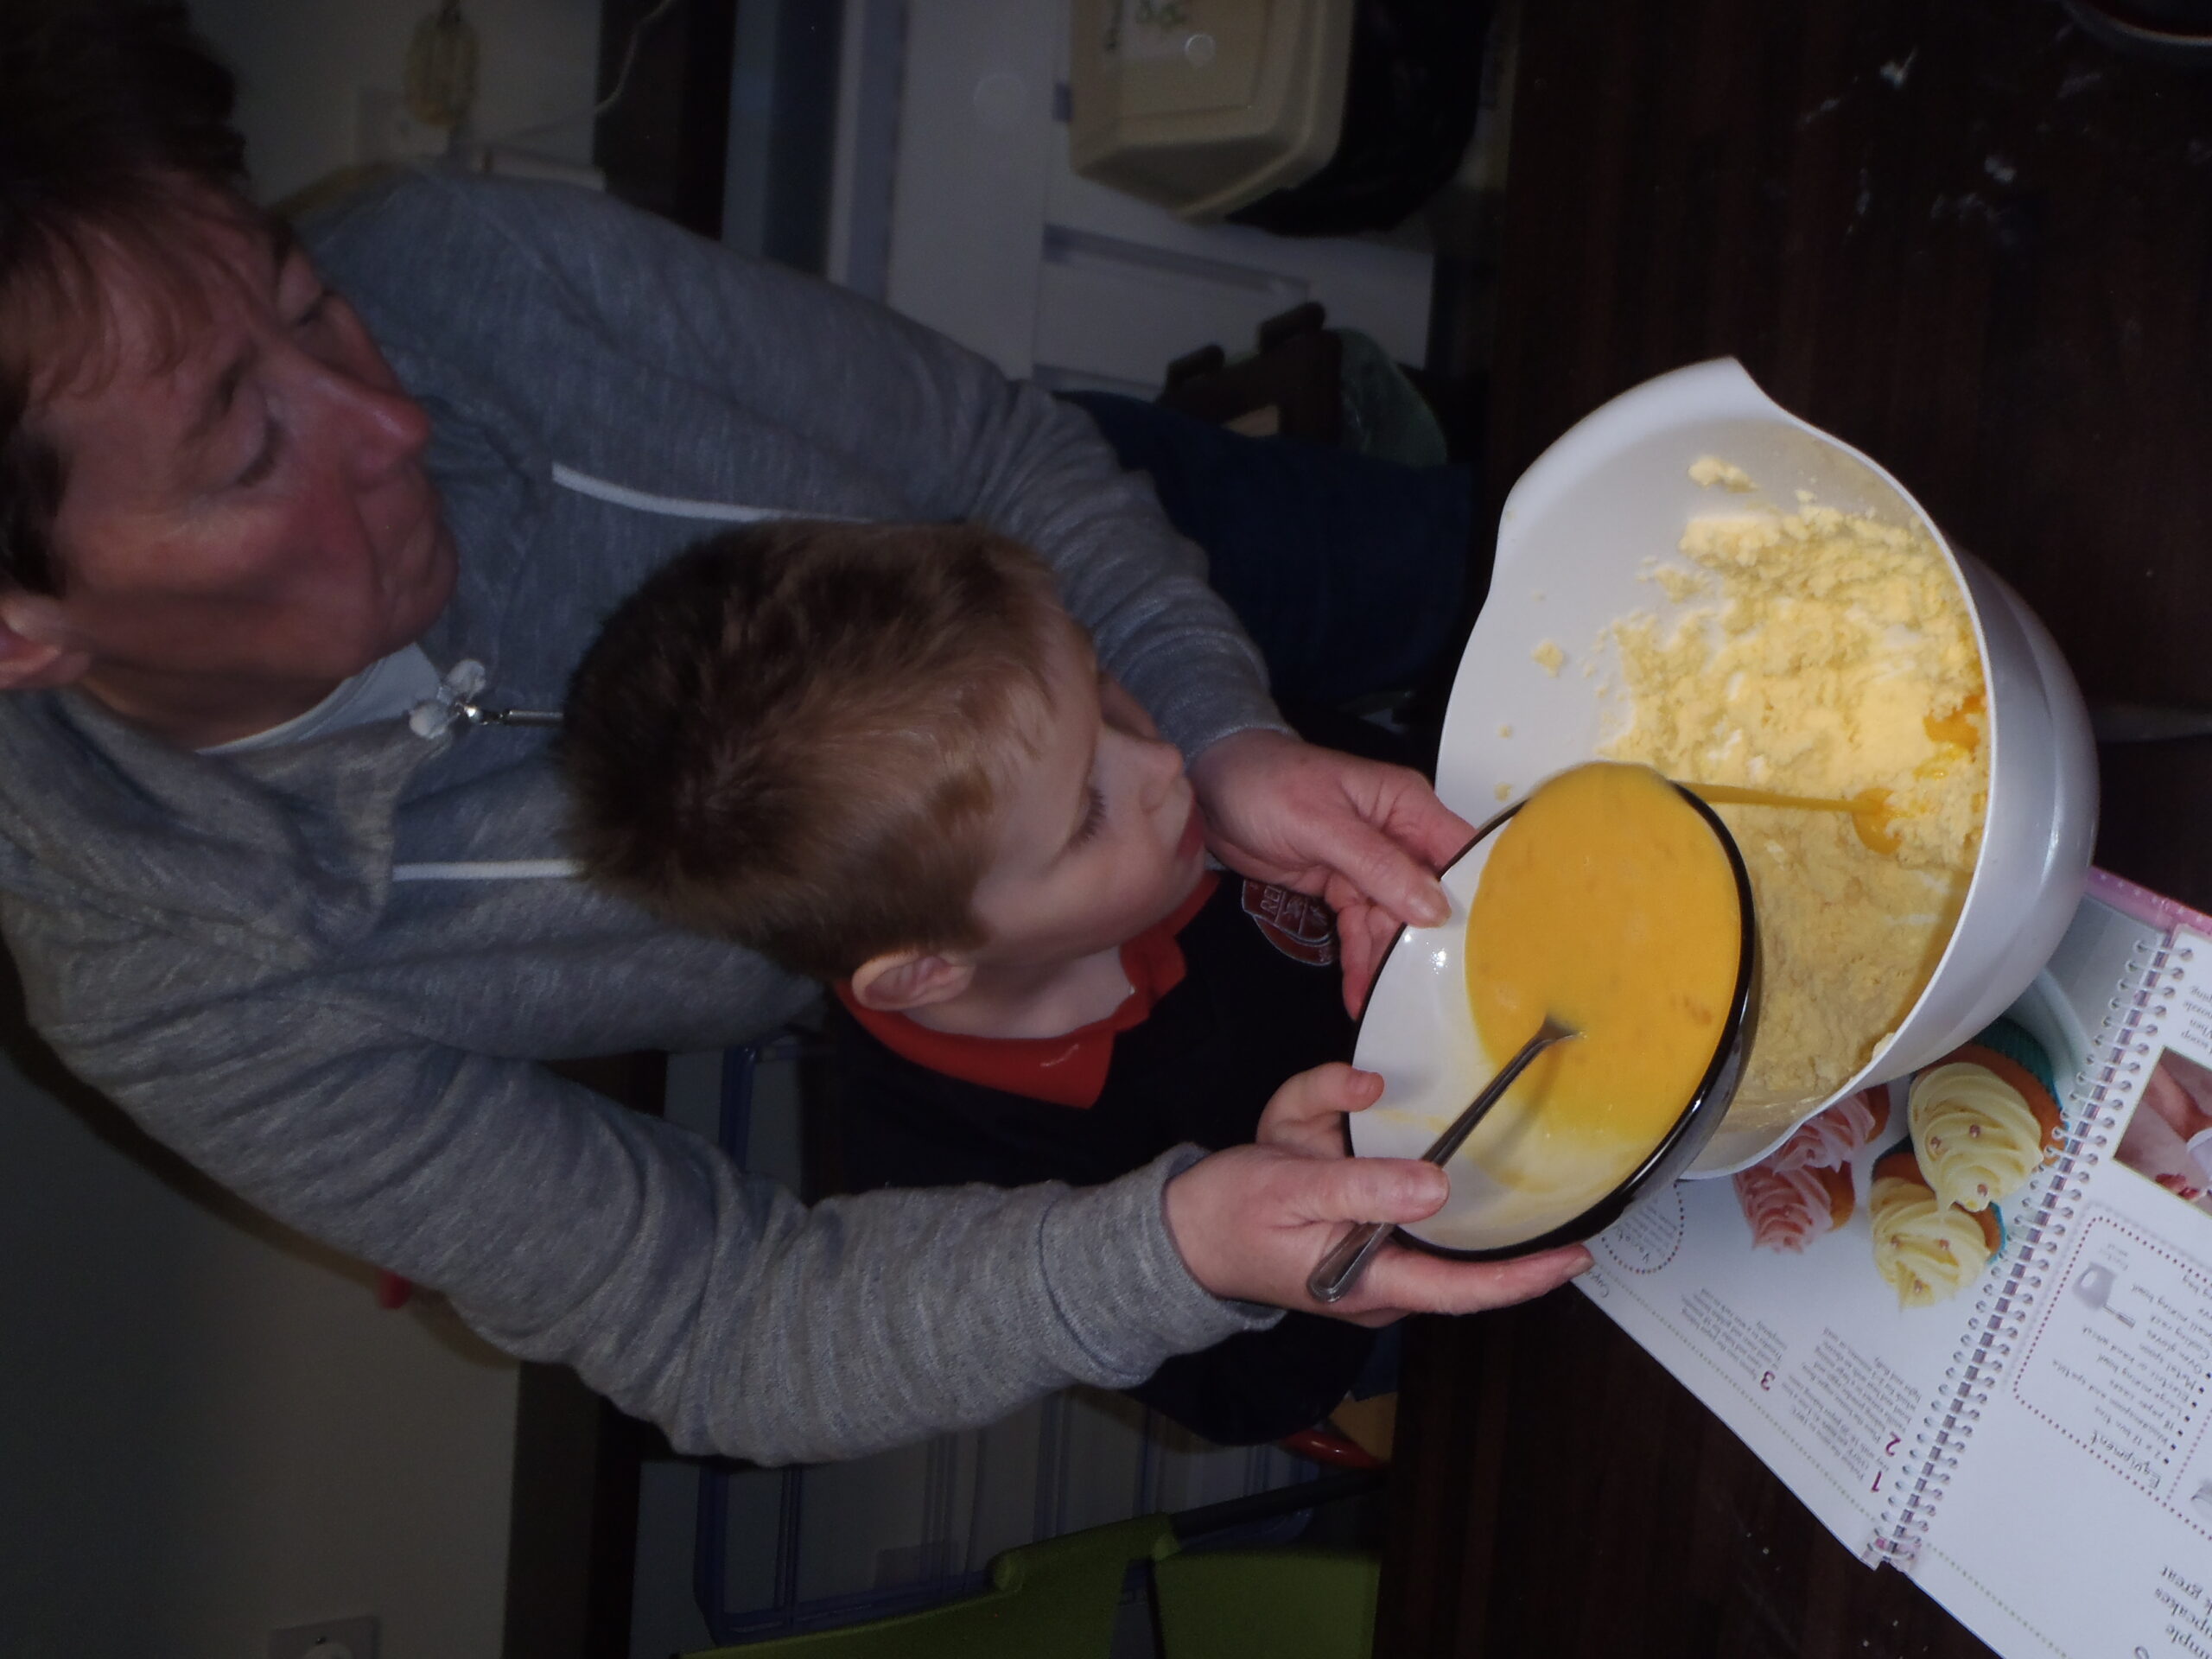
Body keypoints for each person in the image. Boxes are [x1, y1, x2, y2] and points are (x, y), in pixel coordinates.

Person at [0, 0, 1587, 1467]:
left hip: (1077, 578)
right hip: (1039, 889)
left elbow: (1001, 459)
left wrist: (1212, 728)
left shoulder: (462, 260)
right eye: (245, 447)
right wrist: (1175, 1251)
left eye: (310, 304)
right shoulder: (175, 975)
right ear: (23, 633)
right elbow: (717, 1320)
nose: (395, 419)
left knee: (1547, 580)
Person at [563, 519, 1401, 1446]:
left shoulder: (1153, 794)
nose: (1164, 762)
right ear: (928, 968)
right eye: (1087, 814)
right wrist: (1301, 1239)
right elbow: (1254, 1396)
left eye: (1103, 686)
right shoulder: (948, 1194)